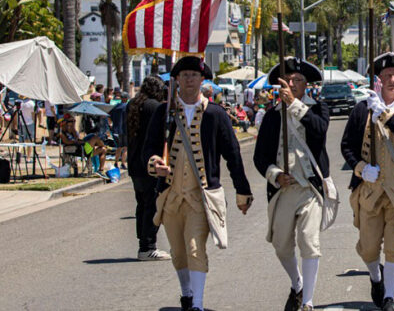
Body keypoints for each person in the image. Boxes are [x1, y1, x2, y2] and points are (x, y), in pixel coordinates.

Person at [145, 57, 253, 311]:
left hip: (200, 197)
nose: (189, 79)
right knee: (178, 252)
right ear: (177, 80)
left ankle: (198, 305)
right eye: (185, 75)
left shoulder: (215, 114)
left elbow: (233, 154)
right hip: (171, 196)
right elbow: (147, 149)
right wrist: (154, 163)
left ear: (202, 79)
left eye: (194, 74)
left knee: (195, 249)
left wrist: (243, 191)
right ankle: (187, 294)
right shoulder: (164, 112)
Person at [340, 53, 394, 311]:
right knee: (367, 250)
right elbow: (346, 146)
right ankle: (376, 279)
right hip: (369, 192)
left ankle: (389, 298)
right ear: (379, 79)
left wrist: (387, 116)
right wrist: (360, 168)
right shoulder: (362, 108)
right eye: (388, 76)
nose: (393, 80)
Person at [253, 57, 329, 311]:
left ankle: (308, 301)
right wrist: (275, 174)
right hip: (284, 189)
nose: (293, 84)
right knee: (282, 245)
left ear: (306, 85)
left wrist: (295, 105)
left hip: (309, 188)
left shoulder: (317, 109)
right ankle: (296, 283)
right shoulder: (272, 117)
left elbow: (319, 130)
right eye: (289, 80)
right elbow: (260, 157)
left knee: (309, 241)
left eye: (298, 80)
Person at [126, 76, 170, 261]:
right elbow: (159, 135)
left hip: (134, 162)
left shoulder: (132, 104)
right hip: (150, 163)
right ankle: (148, 246)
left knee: (142, 204)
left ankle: (142, 244)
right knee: (152, 205)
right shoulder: (154, 107)